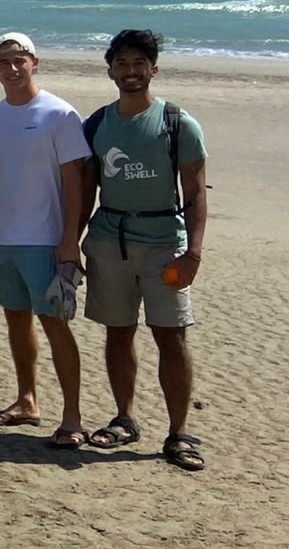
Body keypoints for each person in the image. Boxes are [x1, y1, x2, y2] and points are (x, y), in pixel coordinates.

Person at [78, 29, 210, 471]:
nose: (130, 72)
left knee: (171, 335)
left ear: (154, 69)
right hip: (108, 239)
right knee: (118, 331)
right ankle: (124, 418)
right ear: (110, 70)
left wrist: (193, 252)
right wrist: (70, 244)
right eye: (122, 64)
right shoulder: (97, 124)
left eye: (140, 64)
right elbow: (84, 191)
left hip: (163, 245)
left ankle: (178, 433)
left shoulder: (178, 123)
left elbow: (194, 192)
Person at [0, 33, 90, 446]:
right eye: (4, 61)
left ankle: (72, 417)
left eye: (20, 59)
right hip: (2, 238)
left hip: (44, 238)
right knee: (15, 319)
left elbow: (75, 180)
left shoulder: (59, 114)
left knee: (55, 323)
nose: (13, 67)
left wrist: (69, 239)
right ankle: (27, 400)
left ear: (34, 62)